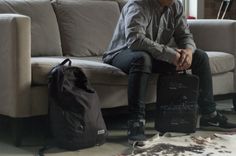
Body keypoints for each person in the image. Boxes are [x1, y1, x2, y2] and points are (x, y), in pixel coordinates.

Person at [102, 0, 236, 144]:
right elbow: (135, 40)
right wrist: (170, 54)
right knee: (142, 59)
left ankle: (209, 115)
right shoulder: (138, 5)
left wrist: (188, 51)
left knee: (200, 57)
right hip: (122, 53)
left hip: (153, 54)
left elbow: (184, 36)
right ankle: (136, 123)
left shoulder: (176, 5)